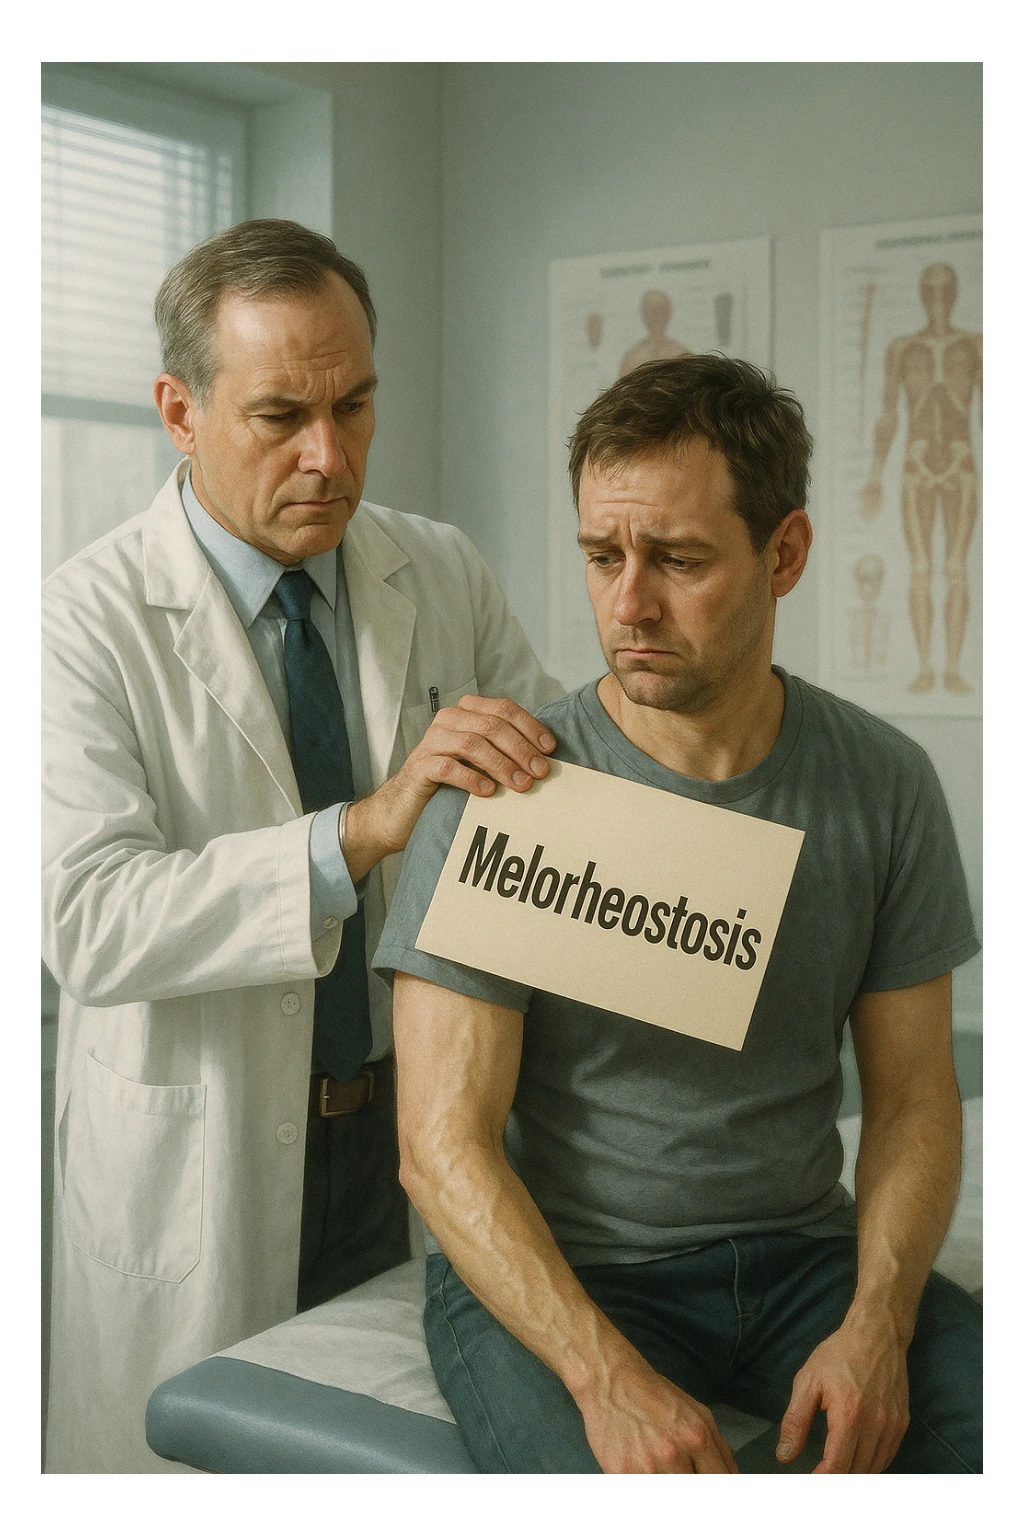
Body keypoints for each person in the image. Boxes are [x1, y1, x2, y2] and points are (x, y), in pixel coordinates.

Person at [374, 354, 982, 1474]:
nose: (627, 603)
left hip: (802, 1257)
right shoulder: (510, 792)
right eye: (602, 556)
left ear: (783, 554)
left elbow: (912, 1101)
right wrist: (606, 1377)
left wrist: (877, 1322)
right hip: (566, 1270)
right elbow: (439, 1147)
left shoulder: (882, 786)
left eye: (679, 560)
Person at [41, 218, 562, 1473]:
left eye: (356, 406)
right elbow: (88, 921)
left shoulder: (438, 569)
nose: (329, 457)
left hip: (416, 1138)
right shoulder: (81, 621)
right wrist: (364, 830)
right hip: (203, 1160)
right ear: (180, 410)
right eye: (280, 415)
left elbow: (548, 790)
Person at [859, 262, 982, 696]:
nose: (936, 296)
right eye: (928, 287)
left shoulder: (976, 346)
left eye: (943, 287)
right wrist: (874, 474)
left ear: (955, 291)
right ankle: (927, 667)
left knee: (956, 569)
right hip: (915, 463)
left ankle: (952, 667)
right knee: (922, 569)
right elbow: (889, 415)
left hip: (962, 462)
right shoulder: (902, 349)